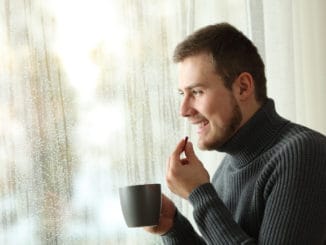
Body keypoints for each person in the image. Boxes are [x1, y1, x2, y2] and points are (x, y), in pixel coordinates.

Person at [145, 23, 326, 244]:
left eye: (197, 92)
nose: (183, 110)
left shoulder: (304, 153)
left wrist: (200, 194)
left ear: (243, 87)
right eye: (182, 93)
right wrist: (173, 227)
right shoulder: (226, 170)